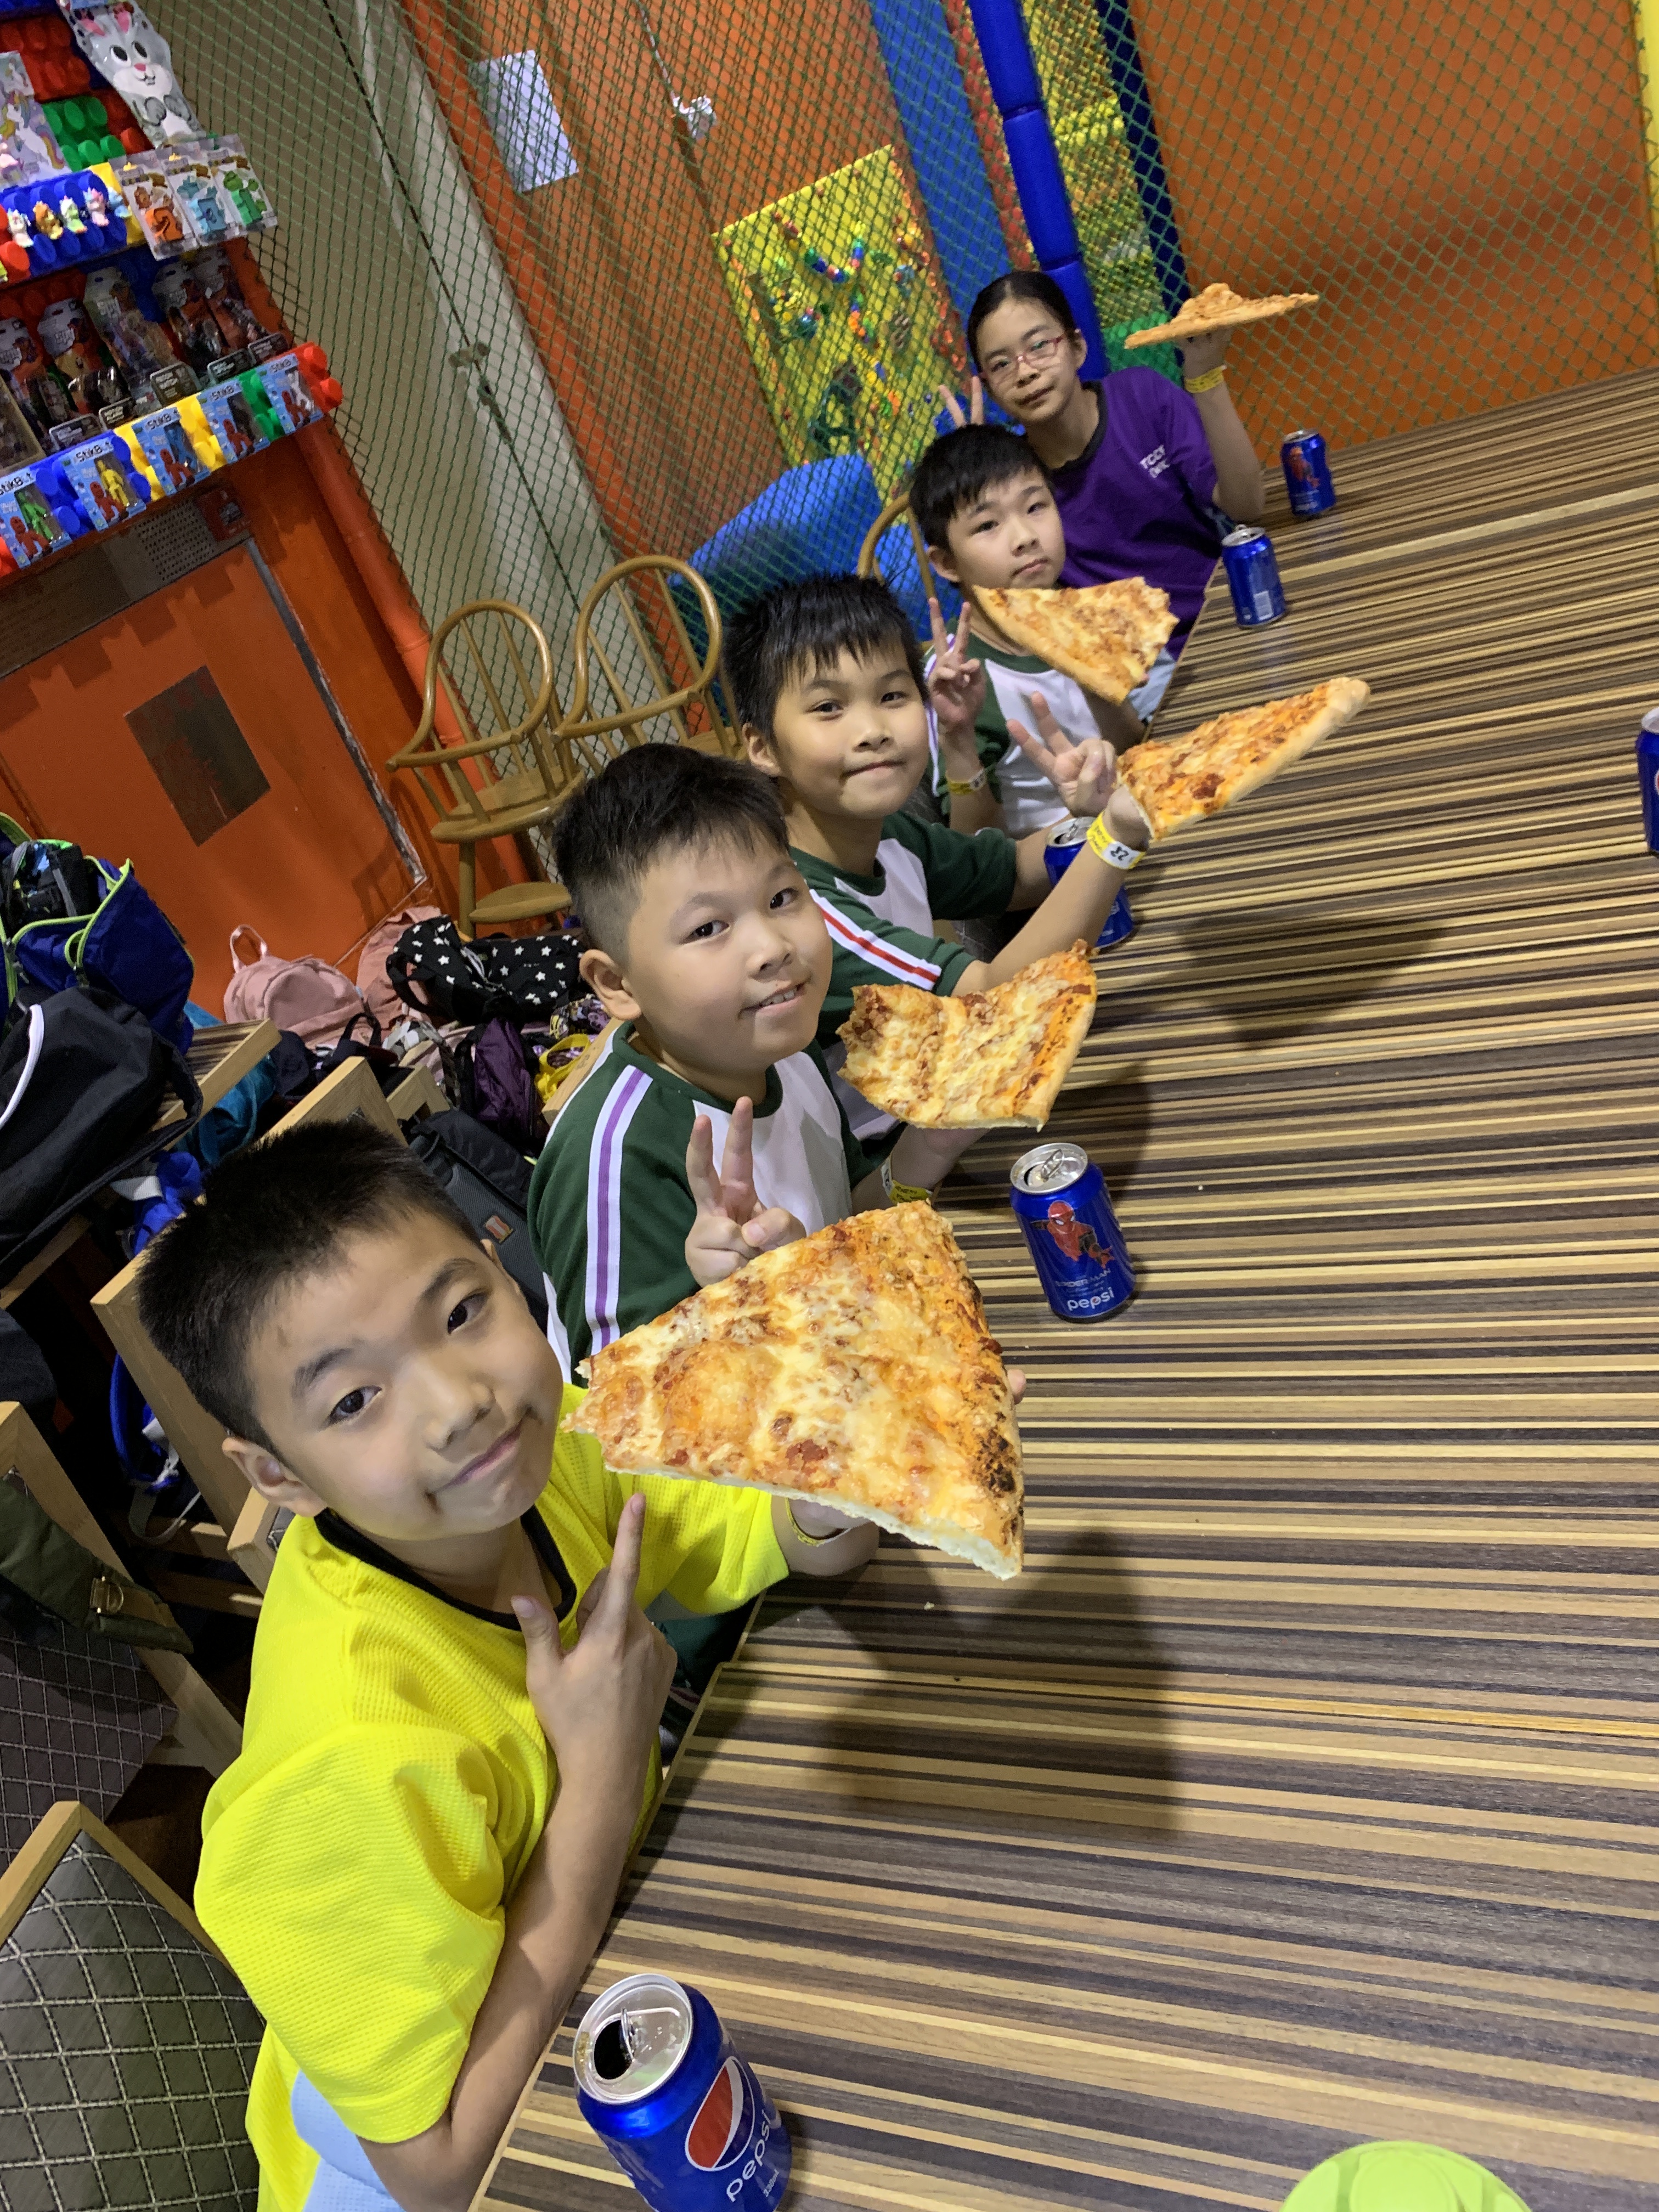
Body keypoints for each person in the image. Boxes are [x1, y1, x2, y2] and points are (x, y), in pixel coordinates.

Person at [137, 1119, 874, 2212]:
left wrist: (839, 1434)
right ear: (278, 1475)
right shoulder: (343, 1770)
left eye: (460, 1313)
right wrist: (601, 1782)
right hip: (419, 2153)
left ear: (499, 1257)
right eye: (353, 1401)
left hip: (601, 1982)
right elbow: (437, 2173)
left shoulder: (540, 1450)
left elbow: (796, 1530)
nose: (458, 1402)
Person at [529, 742, 979, 1374]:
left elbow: (844, 1214)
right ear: (617, 984)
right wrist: (751, 1305)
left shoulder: (781, 1043)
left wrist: (926, 1149)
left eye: (782, 898)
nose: (772, 947)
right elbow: (618, 1413)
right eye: (708, 929)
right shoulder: (611, 1158)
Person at [728, 572, 1150, 1142]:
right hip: (891, 1154)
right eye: (828, 707)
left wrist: (1086, 817)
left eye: (891, 696)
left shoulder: (886, 833)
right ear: (762, 748)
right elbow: (993, 999)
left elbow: (1014, 873)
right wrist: (1114, 837)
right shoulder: (803, 909)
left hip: (947, 1102)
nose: (872, 730)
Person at [941, 269, 1266, 697]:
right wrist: (975, 476)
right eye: (1001, 365)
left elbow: (1246, 506)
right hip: (1135, 676)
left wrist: (1206, 376)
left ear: (1077, 347)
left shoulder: (1142, 396)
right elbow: (1013, 608)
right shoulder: (1014, 484)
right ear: (988, 386)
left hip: (1227, 619)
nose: (1025, 373)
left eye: (1039, 346)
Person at [909, 419, 1150, 838]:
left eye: (1035, 507)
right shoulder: (954, 680)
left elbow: (1134, 750)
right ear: (946, 563)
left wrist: (1098, 682)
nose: (1024, 537)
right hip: (1058, 863)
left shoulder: (1080, 611)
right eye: (988, 525)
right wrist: (958, 740)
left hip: (1135, 818)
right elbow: (973, 848)